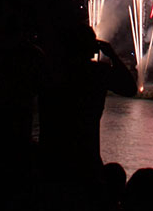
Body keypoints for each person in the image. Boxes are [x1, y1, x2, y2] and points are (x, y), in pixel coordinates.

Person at [39, 24, 136, 183]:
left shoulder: (51, 73)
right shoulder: (96, 73)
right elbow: (130, 88)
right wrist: (113, 55)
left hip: (50, 162)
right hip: (86, 161)